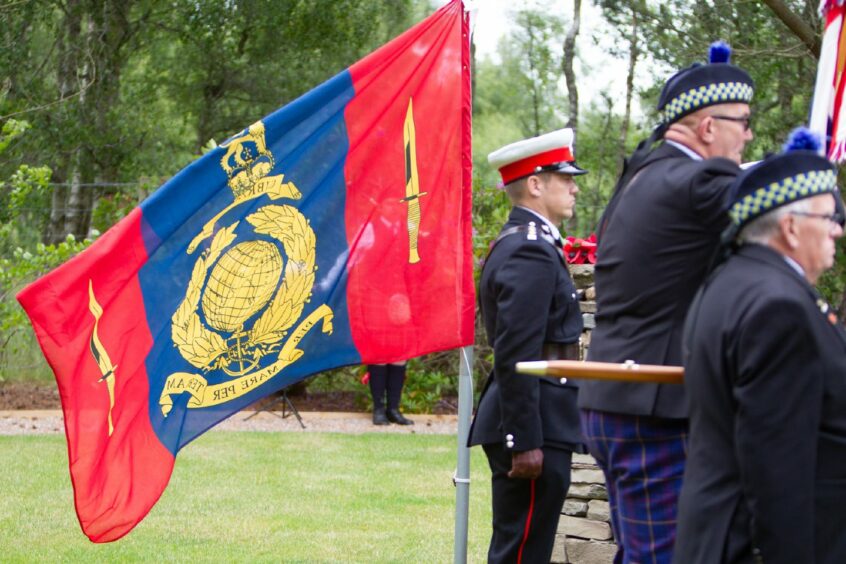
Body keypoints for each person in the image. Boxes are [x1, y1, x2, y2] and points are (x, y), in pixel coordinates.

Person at [577, 41, 755, 563]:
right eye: (741, 121)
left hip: (622, 397)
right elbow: (782, 220)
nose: (746, 134)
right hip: (654, 407)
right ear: (707, 128)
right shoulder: (703, 178)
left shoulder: (646, 173)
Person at [674, 130, 846, 564]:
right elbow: (776, 466)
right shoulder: (779, 307)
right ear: (790, 227)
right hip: (760, 544)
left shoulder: (729, 283)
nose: (838, 231)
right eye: (828, 219)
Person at [468, 128, 586, 563]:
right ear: (535, 184)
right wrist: (525, 438)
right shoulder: (528, 250)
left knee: (526, 549)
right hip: (532, 422)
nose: (574, 187)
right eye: (564, 177)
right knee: (520, 553)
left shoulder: (530, 243)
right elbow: (518, 351)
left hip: (539, 416)